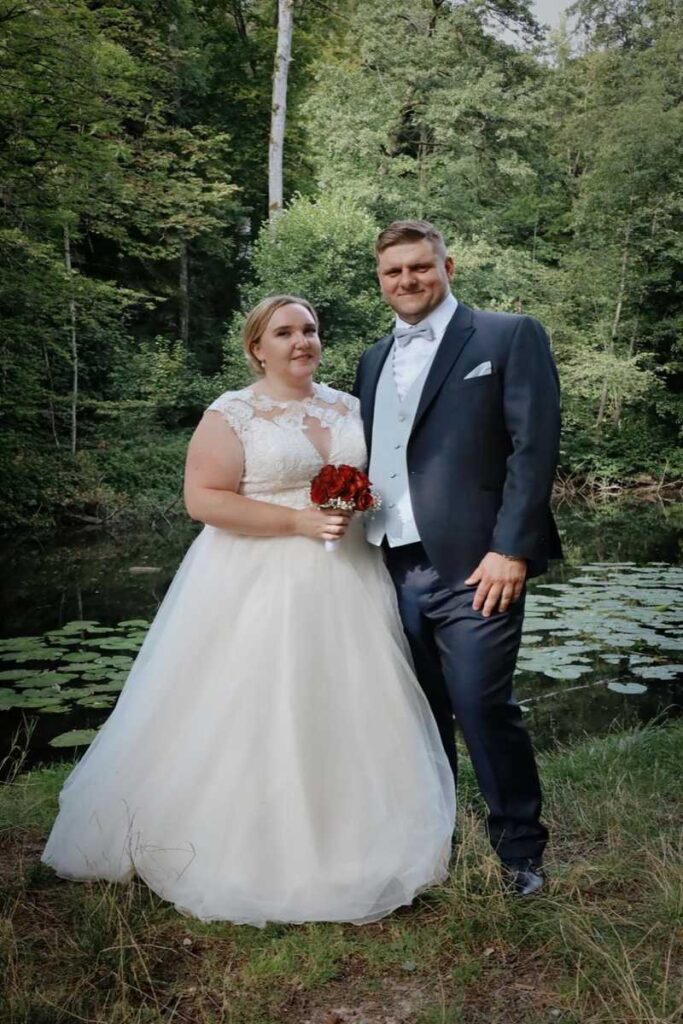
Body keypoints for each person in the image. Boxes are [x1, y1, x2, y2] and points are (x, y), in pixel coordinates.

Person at [41, 294, 455, 926]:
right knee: (259, 701)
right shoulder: (231, 413)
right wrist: (296, 520)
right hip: (257, 576)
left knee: (348, 700)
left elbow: (387, 479)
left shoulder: (351, 406)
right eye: (284, 332)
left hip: (349, 577)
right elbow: (202, 499)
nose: (301, 342)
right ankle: (249, 839)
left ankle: (355, 826)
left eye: (310, 329)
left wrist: (359, 508)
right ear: (257, 347)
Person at [354, 221, 562, 895]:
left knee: (481, 704)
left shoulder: (506, 335)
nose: (407, 280)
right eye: (393, 272)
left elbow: (533, 448)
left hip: (477, 564)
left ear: (447, 265)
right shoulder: (370, 360)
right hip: (387, 565)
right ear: (380, 280)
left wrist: (511, 547)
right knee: (417, 713)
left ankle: (519, 854)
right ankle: (431, 840)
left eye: (419, 267)